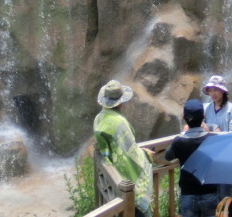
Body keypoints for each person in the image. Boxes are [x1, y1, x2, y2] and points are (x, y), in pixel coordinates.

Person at [93, 80, 154, 217]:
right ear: (121, 102)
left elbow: (110, 148)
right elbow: (129, 152)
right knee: (141, 211)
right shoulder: (119, 123)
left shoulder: (99, 118)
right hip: (125, 179)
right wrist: (143, 153)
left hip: (111, 174)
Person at [163, 99, 218, 217]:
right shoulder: (213, 139)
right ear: (203, 117)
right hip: (210, 192)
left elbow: (167, 156)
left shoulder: (179, 142)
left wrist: (182, 134)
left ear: (184, 117)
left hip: (188, 193)